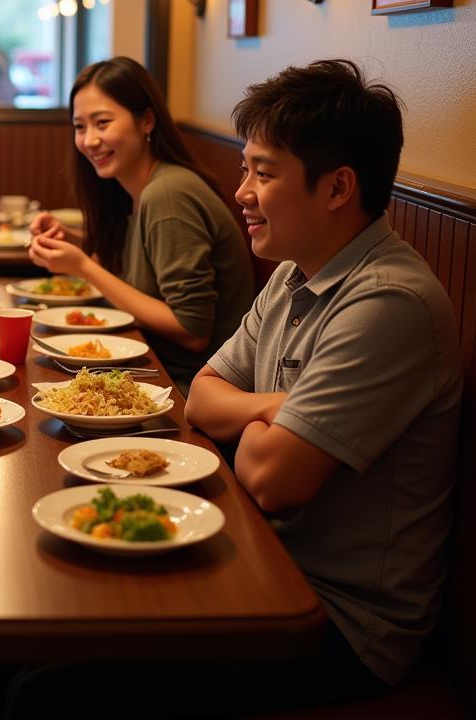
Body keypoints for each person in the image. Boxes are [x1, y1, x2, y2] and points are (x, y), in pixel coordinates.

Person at [182, 59, 462, 697]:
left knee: (52, 691)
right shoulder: (293, 271)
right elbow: (200, 395)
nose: (242, 192)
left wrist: (250, 424)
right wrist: (274, 407)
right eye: (245, 167)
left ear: (337, 189)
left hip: (342, 622)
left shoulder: (389, 303)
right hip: (267, 561)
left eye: (264, 172)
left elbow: (272, 479)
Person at [28, 56, 254, 390]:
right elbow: (141, 262)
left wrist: (83, 267)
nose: (89, 140)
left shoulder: (167, 194)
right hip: (147, 368)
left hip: (184, 388)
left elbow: (192, 331)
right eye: (80, 126)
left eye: (102, 123)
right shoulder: (133, 188)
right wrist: (75, 241)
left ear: (146, 121)